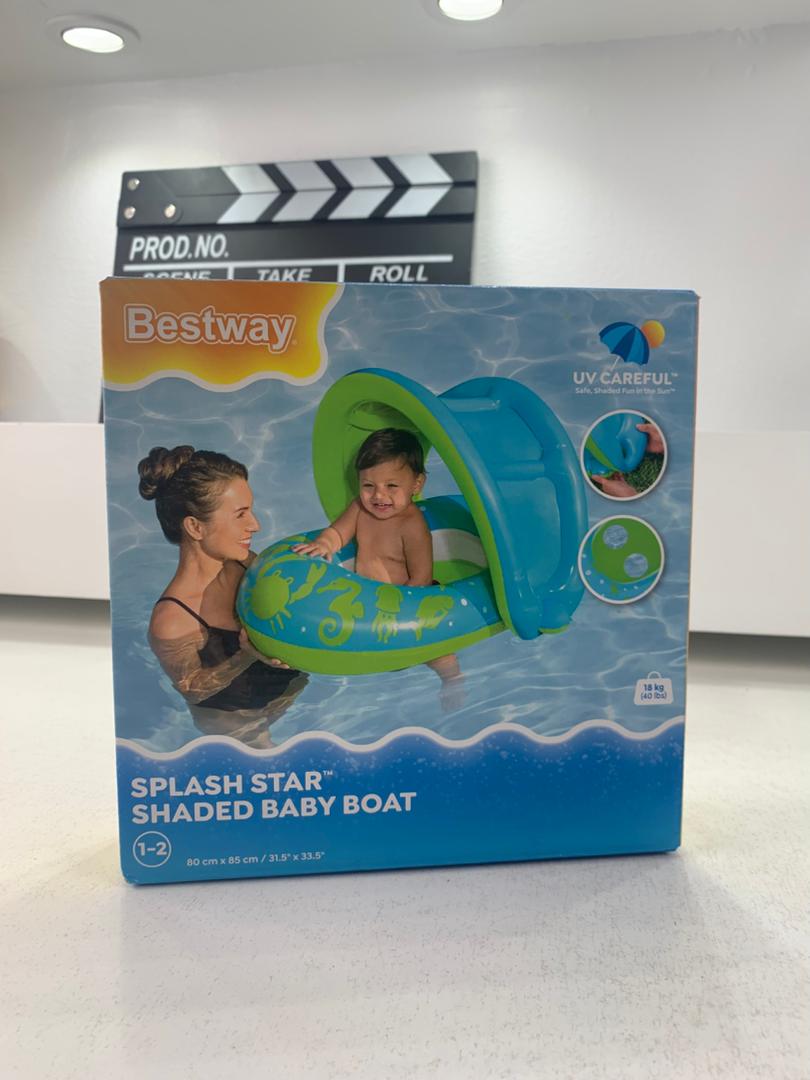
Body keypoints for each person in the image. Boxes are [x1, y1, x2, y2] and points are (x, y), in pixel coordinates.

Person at [138, 446, 306, 741]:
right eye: (240, 515)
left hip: (288, 702)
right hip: (239, 726)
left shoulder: (245, 564)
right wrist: (246, 655)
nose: (255, 525)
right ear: (195, 527)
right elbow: (192, 688)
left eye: (250, 510)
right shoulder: (173, 620)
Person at [293, 428, 462, 694]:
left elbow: (422, 576)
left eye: (391, 486)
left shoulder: (412, 525)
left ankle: (452, 679)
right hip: (369, 600)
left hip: (406, 600)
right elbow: (338, 533)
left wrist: (403, 612)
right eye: (368, 486)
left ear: (417, 484)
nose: (379, 496)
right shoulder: (359, 508)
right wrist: (324, 543)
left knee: (438, 653)